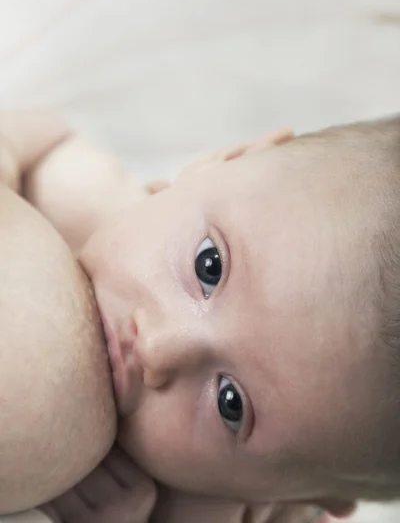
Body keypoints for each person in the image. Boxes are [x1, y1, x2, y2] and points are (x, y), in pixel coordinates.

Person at [0, 112, 320, 523]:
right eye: (209, 266)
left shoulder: (189, 499)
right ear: (232, 163)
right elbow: (39, 129)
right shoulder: (77, 189)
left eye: (230, 404)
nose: (157, 347)